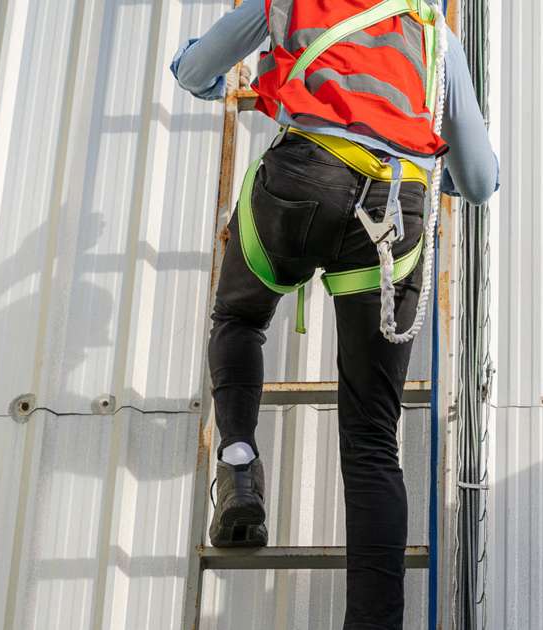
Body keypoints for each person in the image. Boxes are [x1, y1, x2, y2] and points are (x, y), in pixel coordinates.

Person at [172, 1, 498, 626]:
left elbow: (196, 72)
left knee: (239, 319)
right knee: (374, 439)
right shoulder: (434, 33)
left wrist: (205, 75)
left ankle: (239, 463)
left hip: (300, 185)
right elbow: (479, 180)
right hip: (393, 212)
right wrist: (435, 174)